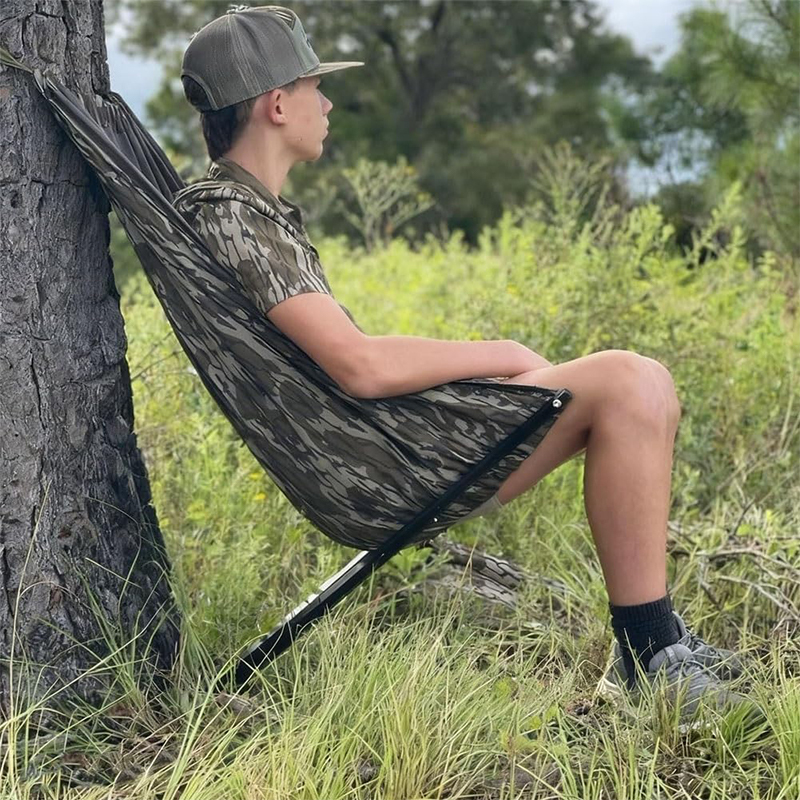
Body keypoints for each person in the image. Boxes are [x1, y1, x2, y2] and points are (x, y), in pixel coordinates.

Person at [172, 4, 757, 728]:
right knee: (630, 383)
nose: (328, 104)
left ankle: (657, 642)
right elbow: (358, 365)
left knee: (647, 383)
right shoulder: (233, 215)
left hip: (383, 444)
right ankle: (651, 659)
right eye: (315, 86)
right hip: (381, 465)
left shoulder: (244, 212)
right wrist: (501, 352)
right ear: (277, 104)